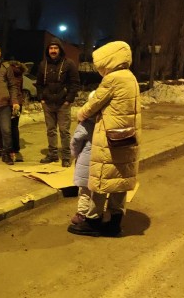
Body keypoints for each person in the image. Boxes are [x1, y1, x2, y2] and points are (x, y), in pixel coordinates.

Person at [68, 41, 141, 237]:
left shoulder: (113, 79)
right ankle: (115, 222)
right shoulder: (130, 77)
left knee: (101, 180)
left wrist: (81, 114)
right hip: (127, 136)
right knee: (119, 179)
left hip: (109, 138)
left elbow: (94, 104)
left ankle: (92, 221)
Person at [36, 37, 79, 167]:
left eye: (55, 48)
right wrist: (41, 98)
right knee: (51, 130)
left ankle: (66, 156)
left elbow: (75, 83)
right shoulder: (43, 65)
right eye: (51, 48)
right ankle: (52, 154)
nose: (53, 50)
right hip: (48, 103)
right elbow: (39, 84)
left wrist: (68, 100)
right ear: (47, 50)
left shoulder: (69, 63)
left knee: (64, 131)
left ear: (60, 50)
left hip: (62, 103)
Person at [68, 91, 96, 225]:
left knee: (84, 190)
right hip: (99, 160)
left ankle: (81, 215)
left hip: (86, 160)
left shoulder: (86, 123)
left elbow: (76, 141)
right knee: (96, 191)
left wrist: (75, 154)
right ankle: (95, 213)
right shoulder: (105, 121)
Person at [7, 60, 28, 162]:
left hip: (9, 102)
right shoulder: (20, 73)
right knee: (14, 126)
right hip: (18, 102)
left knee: (7, 126)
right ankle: (16, 147)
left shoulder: (9, 72)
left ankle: (8, 148)